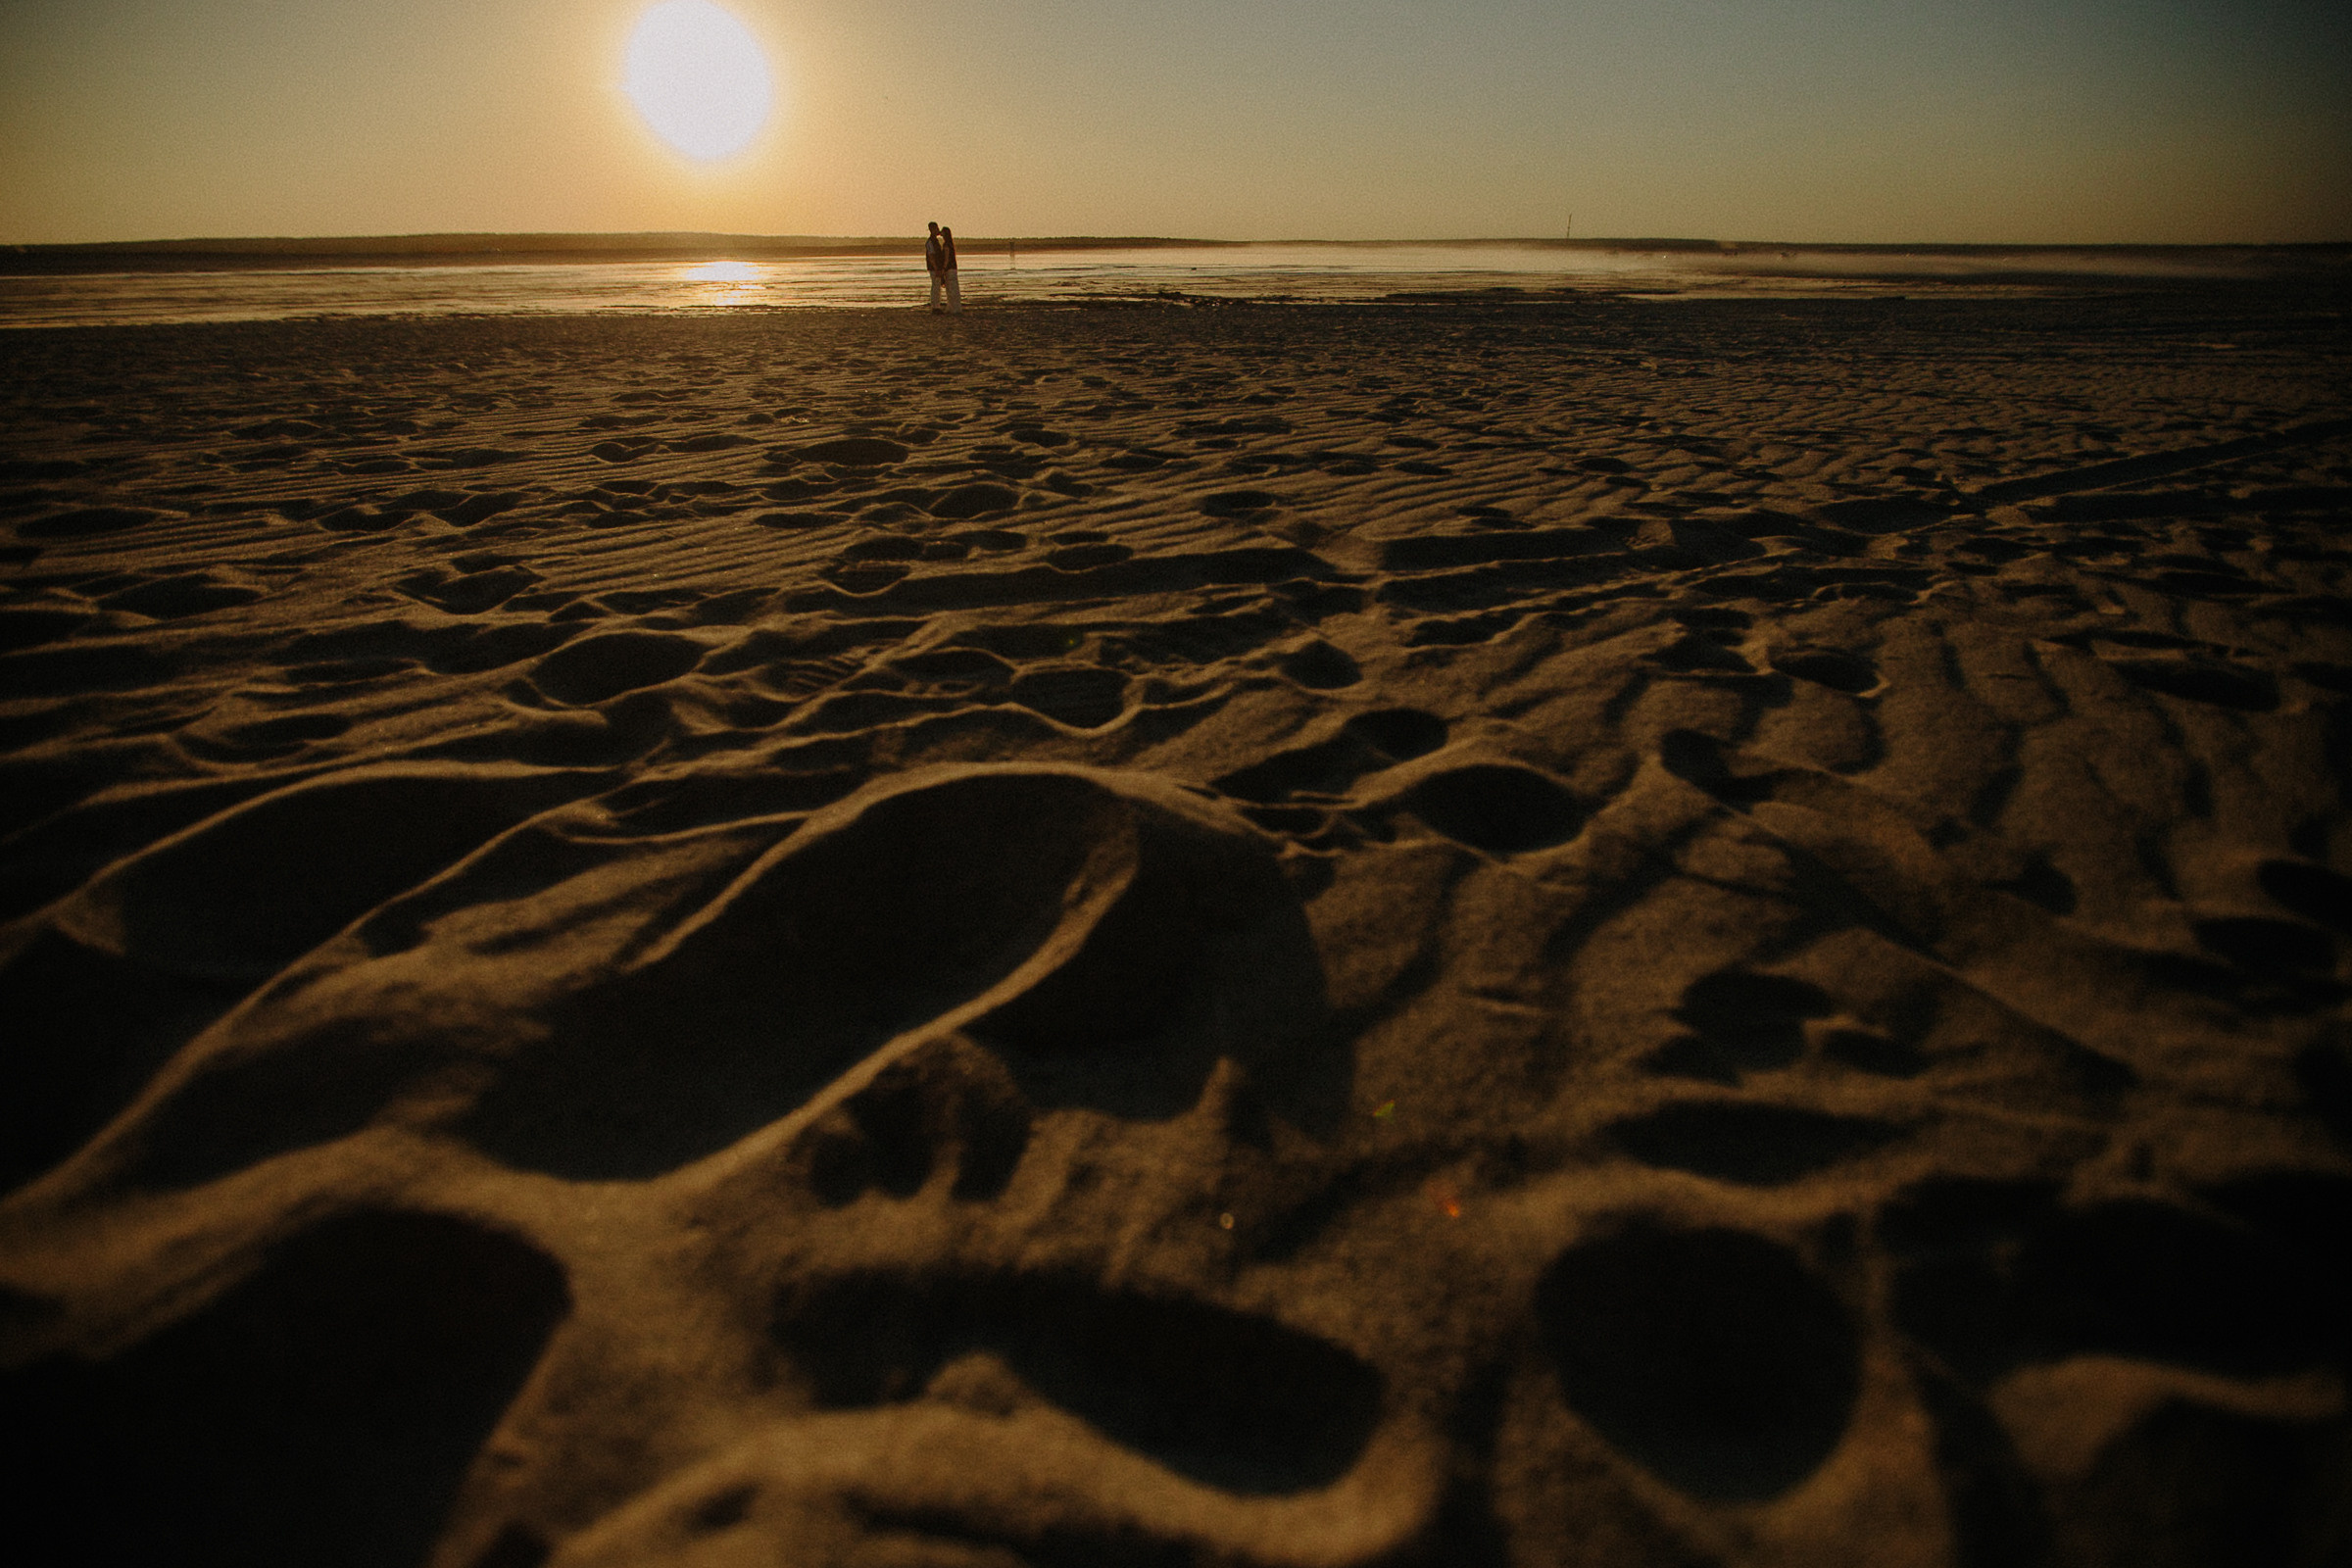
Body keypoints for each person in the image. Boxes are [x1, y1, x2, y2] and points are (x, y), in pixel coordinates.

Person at [924, 221, 947, 311]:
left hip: (935, 267)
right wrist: (936, 268)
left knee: (936, 286)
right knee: (935, 287)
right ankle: (935, 306)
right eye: (936, 228)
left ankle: (936, 305)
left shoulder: (934, 241)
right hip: (934, 268)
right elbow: (931, 256)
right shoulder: (930, 242)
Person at [940, 224, 962, 313]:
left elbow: (946, 257)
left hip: (949, 269)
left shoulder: (946, 245)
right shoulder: (951, 244)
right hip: (953, 268)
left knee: (951, 289)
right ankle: (955, 307)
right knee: (954, 288)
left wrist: (944, 268)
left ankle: (953, 308)